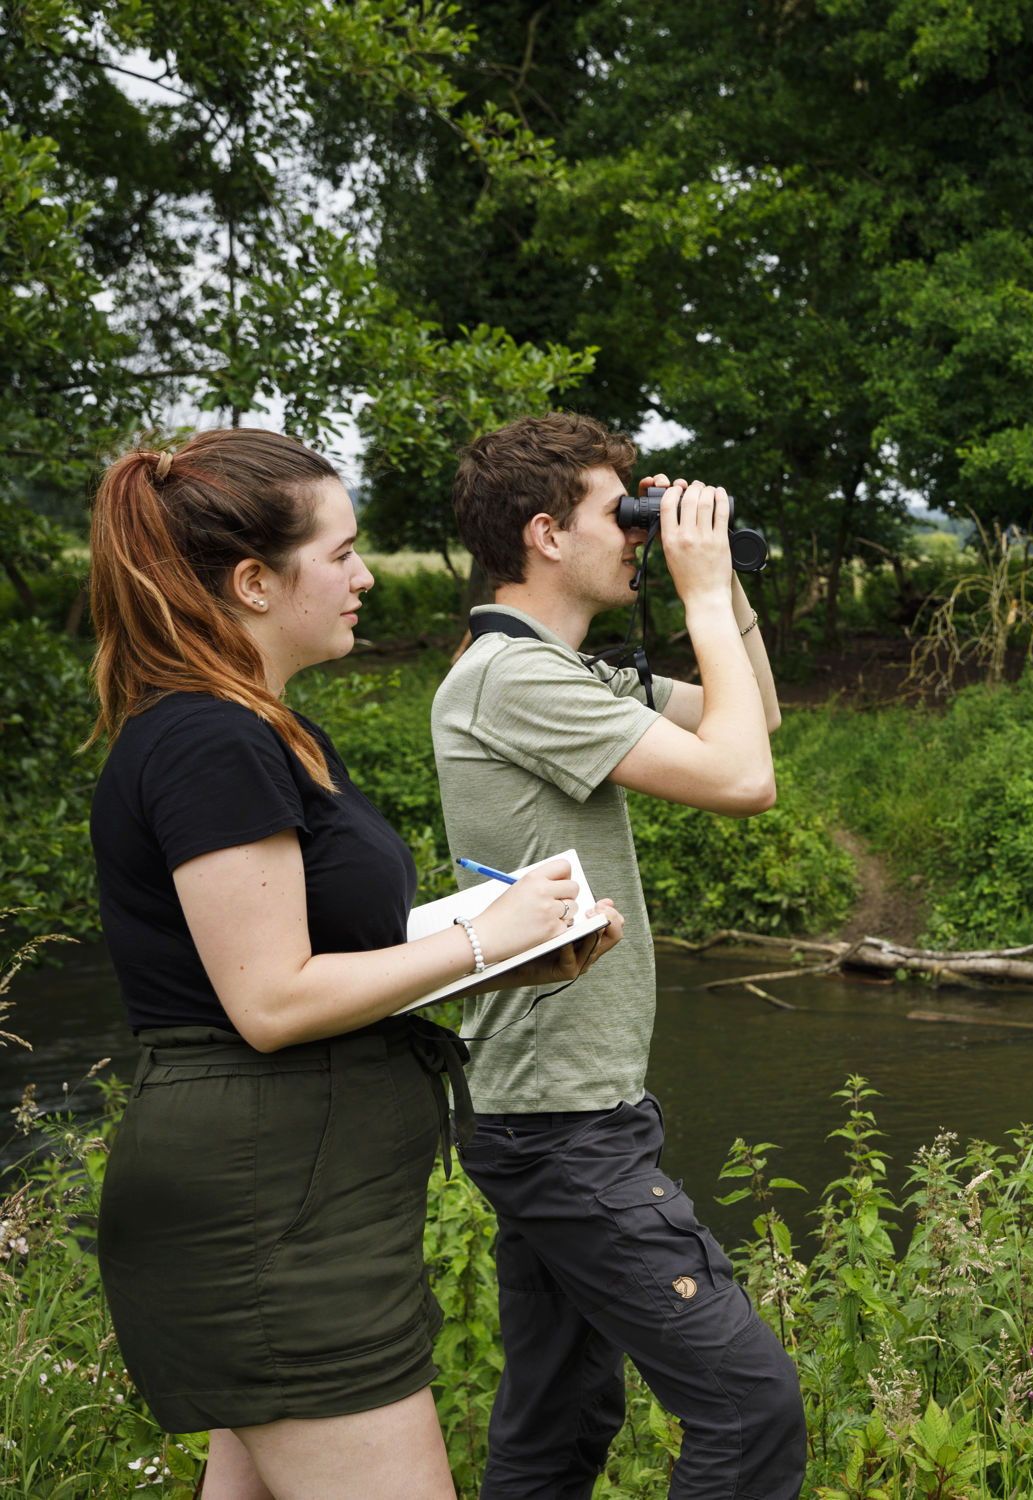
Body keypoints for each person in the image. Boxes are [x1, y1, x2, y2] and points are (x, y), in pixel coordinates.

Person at [87, 428, 624, 1500]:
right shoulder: (209, 742)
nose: (366, 577)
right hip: (270, 1214)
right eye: (341, 553)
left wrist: (501, 960)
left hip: (302, 1198)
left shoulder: (268, 730)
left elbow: (309, 959)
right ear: (252, 581)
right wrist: (482, 935)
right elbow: (272, 1001)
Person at [431, 411, 805, 1499]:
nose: (640, 536)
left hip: (561, 1112)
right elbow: (744, 784)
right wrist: (689, 593)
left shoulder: (560, 670)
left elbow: (755, 721)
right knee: (749, 1407)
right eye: (621, 515)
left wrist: (721, 582)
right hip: (561, 1127)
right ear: (546, 533)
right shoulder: (514, 679)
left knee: (560, 1426)